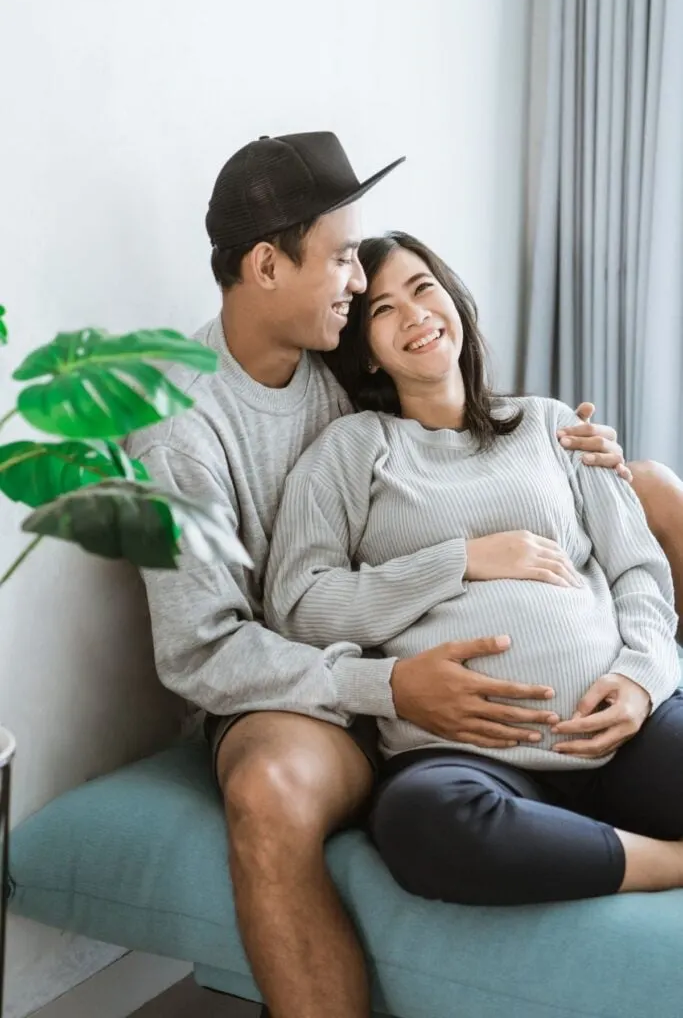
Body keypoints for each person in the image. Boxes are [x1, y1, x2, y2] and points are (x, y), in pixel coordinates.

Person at [126, 133, 683, 1018]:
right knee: (286, 794)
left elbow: (465, 415)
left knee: (653, 488)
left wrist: (593, 462)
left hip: (541, 697)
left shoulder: (340, 357)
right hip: (304, 687)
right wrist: (394, 686)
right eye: (346, 261)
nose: (360, 285)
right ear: (267, 266)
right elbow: (207, 648)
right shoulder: (186, 430)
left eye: (396, 284)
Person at [264, 230, 683, 913]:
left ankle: (572, 843)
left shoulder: (551, 425)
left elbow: (638, 570)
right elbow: (299, 603)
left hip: (621, 734)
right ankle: (664, 862)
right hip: (461, 758)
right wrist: (460, 560)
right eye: (383, 310)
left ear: (454, 301)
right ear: (365, 353)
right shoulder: (352, 449)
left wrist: (639, 681)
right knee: (419, 824)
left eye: (423, 288)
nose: (414, 315)